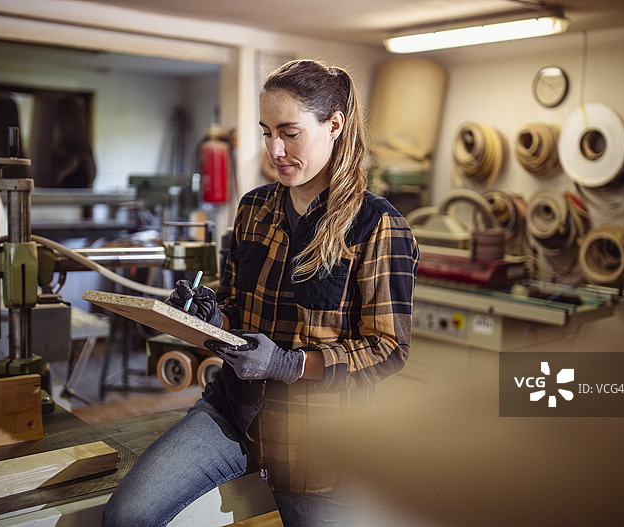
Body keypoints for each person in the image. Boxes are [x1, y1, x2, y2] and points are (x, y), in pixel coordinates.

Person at [103, 59, 419, 527]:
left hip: (320, 445)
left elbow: (388, 348)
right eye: (266, 131)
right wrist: (207, 317)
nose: (275, 149)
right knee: (127, 516)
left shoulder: (378, 226)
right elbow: (233, 304)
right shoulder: (254, 208)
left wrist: (288, 364)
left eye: (290, 133)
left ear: (334, 125)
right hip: (235, 413)